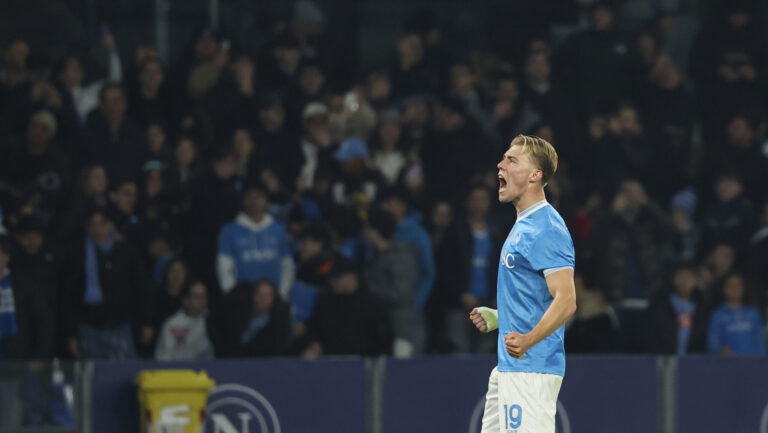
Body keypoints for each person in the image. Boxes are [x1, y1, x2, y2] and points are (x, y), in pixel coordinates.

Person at [469, 135, 576, 433]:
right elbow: (537, 298)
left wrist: (528, 340)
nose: (500, 165)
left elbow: (566, 300)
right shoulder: (524, 223)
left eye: (512, 160)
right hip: (508, 369)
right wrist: (501, 317)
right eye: (503, 158)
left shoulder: (546, 228)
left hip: (531, 370)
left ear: (535, 175)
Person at [216, 183, 295, 297]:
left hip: (274, 298)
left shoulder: (278, 229)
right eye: (249, 196)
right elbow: (223, 266)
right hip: (242, 299)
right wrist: (232, 295)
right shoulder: (229, 231)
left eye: (259, 196)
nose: (254, 201)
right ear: (242, 201)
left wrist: (282, 293)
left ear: (267, 201)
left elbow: (287, 265)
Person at [707, 274, 765, 356]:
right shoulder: (717, 315)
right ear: (724, 289)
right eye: (730, 286)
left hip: (753, 364)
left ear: (743, 288)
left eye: (738, 285)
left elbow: (761, 340)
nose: (734, 289)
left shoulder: (753, 313)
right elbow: (712, 343)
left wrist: (763, 362)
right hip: (729, 365)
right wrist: (720, 350)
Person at [155, 280, 214, 361]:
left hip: (206, 370)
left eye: (204, 296)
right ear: (185, 300)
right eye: (197, 296)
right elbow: (163, 357)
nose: (202, 300)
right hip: (176, 370)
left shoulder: (212, 321)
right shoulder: (172, 324)